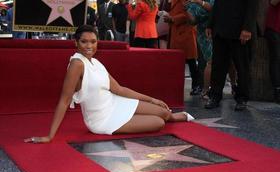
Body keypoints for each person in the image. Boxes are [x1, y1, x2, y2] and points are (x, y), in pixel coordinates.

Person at [24, 25, 194, 144]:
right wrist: (49, 136)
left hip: (115, 103)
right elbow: (64, 100)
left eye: (93, 41)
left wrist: (152, 100)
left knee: (162, 111)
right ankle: (169, 117)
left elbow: (119, 89)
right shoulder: (77, 64)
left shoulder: (96, 62)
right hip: (102, 120)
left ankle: (171, 116)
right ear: (75, 43)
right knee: (158, 122)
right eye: (84, 42)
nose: (89, 46)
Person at [204, 0, 258, 111]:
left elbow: (252, 5)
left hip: (239, 30)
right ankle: (215, 96)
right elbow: (217, 3)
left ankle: (242, 98)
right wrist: (210, 24)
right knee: (217, 65)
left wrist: (247, 28)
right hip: (220, 28)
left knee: (242, 66)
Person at [164, 0, 201, 95]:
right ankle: (176, 85)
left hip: (186, 34)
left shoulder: (185, 1)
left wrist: (172, 18)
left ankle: (196, 86)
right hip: (177, 33)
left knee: (191, 61)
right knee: (177, 62)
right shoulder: (173, 2)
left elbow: (188, 14)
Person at [185, 0, 214, 98]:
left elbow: (212, 8)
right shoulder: (191, 5)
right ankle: (205, 90)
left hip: (217, 29)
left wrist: (198, 1)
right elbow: (192, 21)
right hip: (204, 34)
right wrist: (186, 11)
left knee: (226, 61)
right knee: (210, 61)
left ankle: (233, 84)